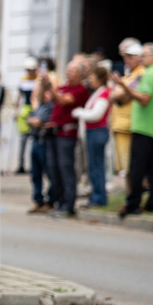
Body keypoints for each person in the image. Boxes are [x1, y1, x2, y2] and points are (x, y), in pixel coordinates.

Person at [115, 43, 153, 218]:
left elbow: (144, 99)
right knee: (151, 167)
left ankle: (133, 203)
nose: (141, 58)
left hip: (144, 127)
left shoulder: (150, 74)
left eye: (144, 55)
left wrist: (124, 86)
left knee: (137, 167)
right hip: (152, 126)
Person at [50, 59, 90, 217]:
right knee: (55, 170)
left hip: (67, 135)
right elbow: (48, 98)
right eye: (68, 69)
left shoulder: (81, 90)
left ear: (80, 74)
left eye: (72, 70)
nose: (68, 73)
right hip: (56, 133)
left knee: (66, 169)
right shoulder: (64, 87)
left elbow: (63, 100)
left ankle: (68, 204)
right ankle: (60, 202)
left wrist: (51, 87)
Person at [74, 64, 112, 208]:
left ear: (99, 78)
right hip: (93, 132)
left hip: (97, 132)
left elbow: (96, 115)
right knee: (94, 166)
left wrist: (79, 112)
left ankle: (99, 197)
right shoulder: (98, 92)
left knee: (96, 166)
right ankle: (97, 195)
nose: (89, 80)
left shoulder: (104, 93)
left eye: (92, 77)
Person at [110, 40, 143, 178]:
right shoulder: (128, 75)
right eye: (125, 56)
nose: (126, 60)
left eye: (130, 57)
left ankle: (136, 191)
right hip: (121, 124)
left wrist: (120, 90)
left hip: (129, 124)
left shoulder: (141, 74)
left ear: (139, 58)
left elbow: (122, 96)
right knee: (125, 169)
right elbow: (113, 95)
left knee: (131, 167)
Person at [27, 75, 57, 213]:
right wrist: (32, 121)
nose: (43, 94)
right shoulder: (39, 106)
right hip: (35, 140)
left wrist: (34, 121)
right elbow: (29, 119)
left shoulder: (51, 107)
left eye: (46, 91)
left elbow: (38, 122)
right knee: (35, 174)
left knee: (49, 172)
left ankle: (51, 200)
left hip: (45, 142)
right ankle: (38, 200)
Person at [14, 57, 39, 173]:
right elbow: (19, 97)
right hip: (25, 110)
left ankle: (35, 165)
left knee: (35, 139)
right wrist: (16, 111)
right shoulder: (23, 81)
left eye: (32, 69)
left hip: (35, 110)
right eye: (29, 70)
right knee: (23, 139)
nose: (30, 72)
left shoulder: (37, 80)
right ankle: (21, 165)